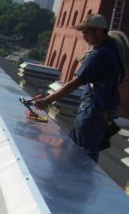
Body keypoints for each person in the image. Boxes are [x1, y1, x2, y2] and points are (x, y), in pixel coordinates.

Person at [33, 14, 122, 162]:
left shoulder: (99, 55)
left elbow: (75, 83)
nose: (84, 37)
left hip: (92, 115)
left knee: (82, 160)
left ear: (99, 31)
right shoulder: (112, 47)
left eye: (87, 32)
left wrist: (47, 100)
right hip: (100, 113)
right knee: (68, 151)